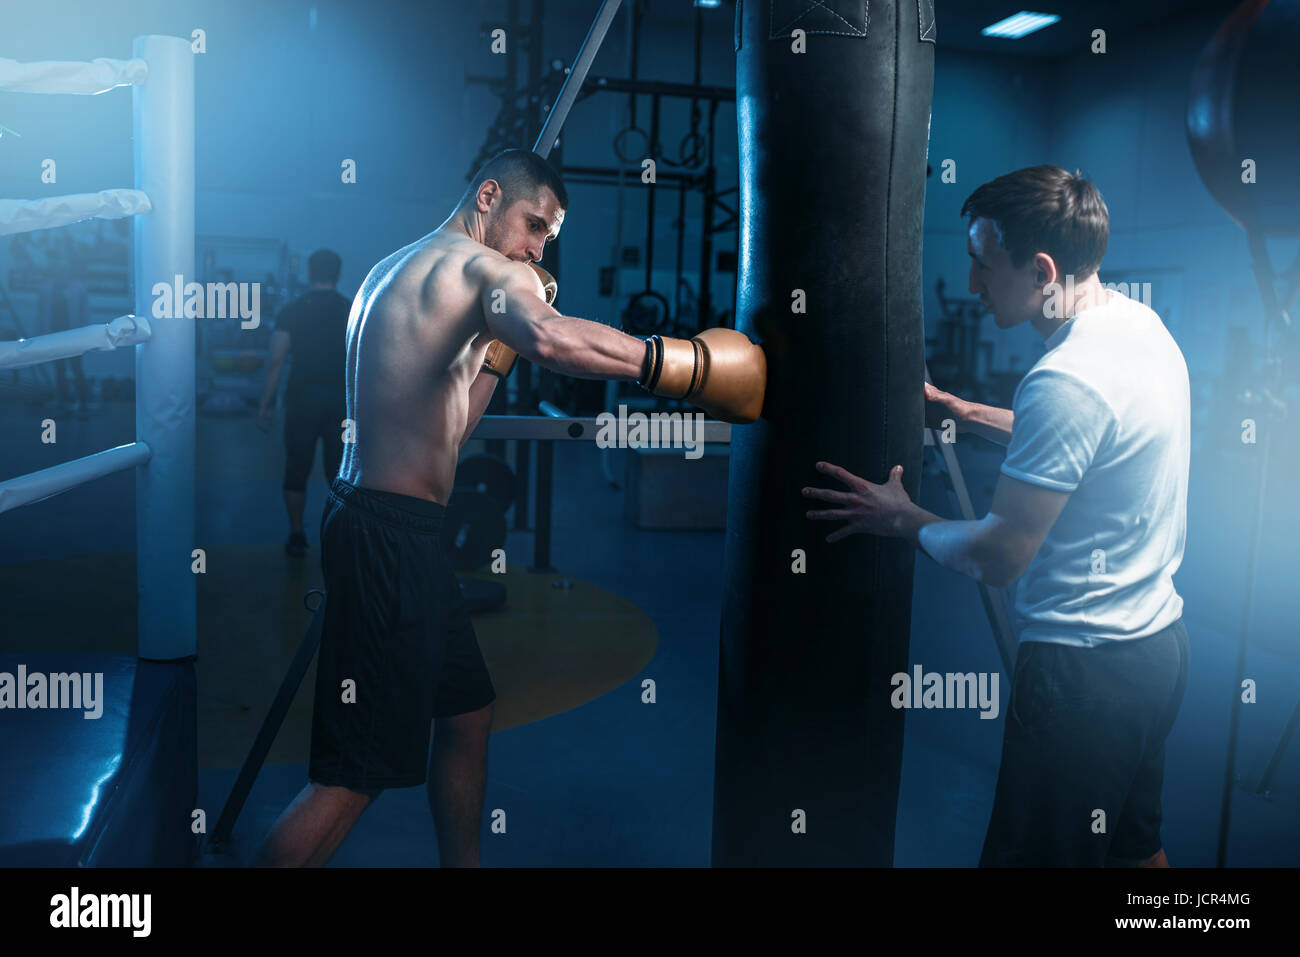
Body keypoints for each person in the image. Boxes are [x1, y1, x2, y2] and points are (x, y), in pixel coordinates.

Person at [251, 149, 763, 867]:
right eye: (535, 226)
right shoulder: (488, 271)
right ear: (488, 195)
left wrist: (496, 351)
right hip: (391, 539)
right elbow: (552, 337)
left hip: (387, 528)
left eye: (549, 239)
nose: (537, 249)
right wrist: (686, 366)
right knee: (351, 778)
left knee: (466, 713)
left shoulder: (390, 270)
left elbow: (452, 427)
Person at [804, 165, 1190, 867]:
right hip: (1155, 651)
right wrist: (962, 409)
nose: (974, 284)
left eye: (984, 265)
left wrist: (904, 518)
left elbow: (997, 554)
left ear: (1042, 269)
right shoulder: (1137, 325)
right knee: (1135, 852)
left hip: (1083, 682)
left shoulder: (1066, 379)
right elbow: (1088, 442)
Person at [257, 249, 351, 557]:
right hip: (341, 404)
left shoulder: (292, 311)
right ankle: (337, 537)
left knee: (297, 468)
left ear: (309, 274)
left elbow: (275, 361)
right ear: (338, 275)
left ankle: (297, 535)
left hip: (301, 401)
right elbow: (366, 361)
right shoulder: (351, 310)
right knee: (340, 473)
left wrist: (265, 404)